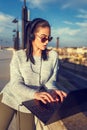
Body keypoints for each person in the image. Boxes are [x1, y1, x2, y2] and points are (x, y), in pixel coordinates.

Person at [0, 18, 67, 130]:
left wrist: (53, 91)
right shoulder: (19, 56)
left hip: (29, 103)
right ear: (32, 36)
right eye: (43, 37)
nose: (46, 41)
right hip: (10, 97)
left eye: (49, 38)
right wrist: (35, 94)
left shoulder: (53, 56)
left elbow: (51, 82)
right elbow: (15, 83)